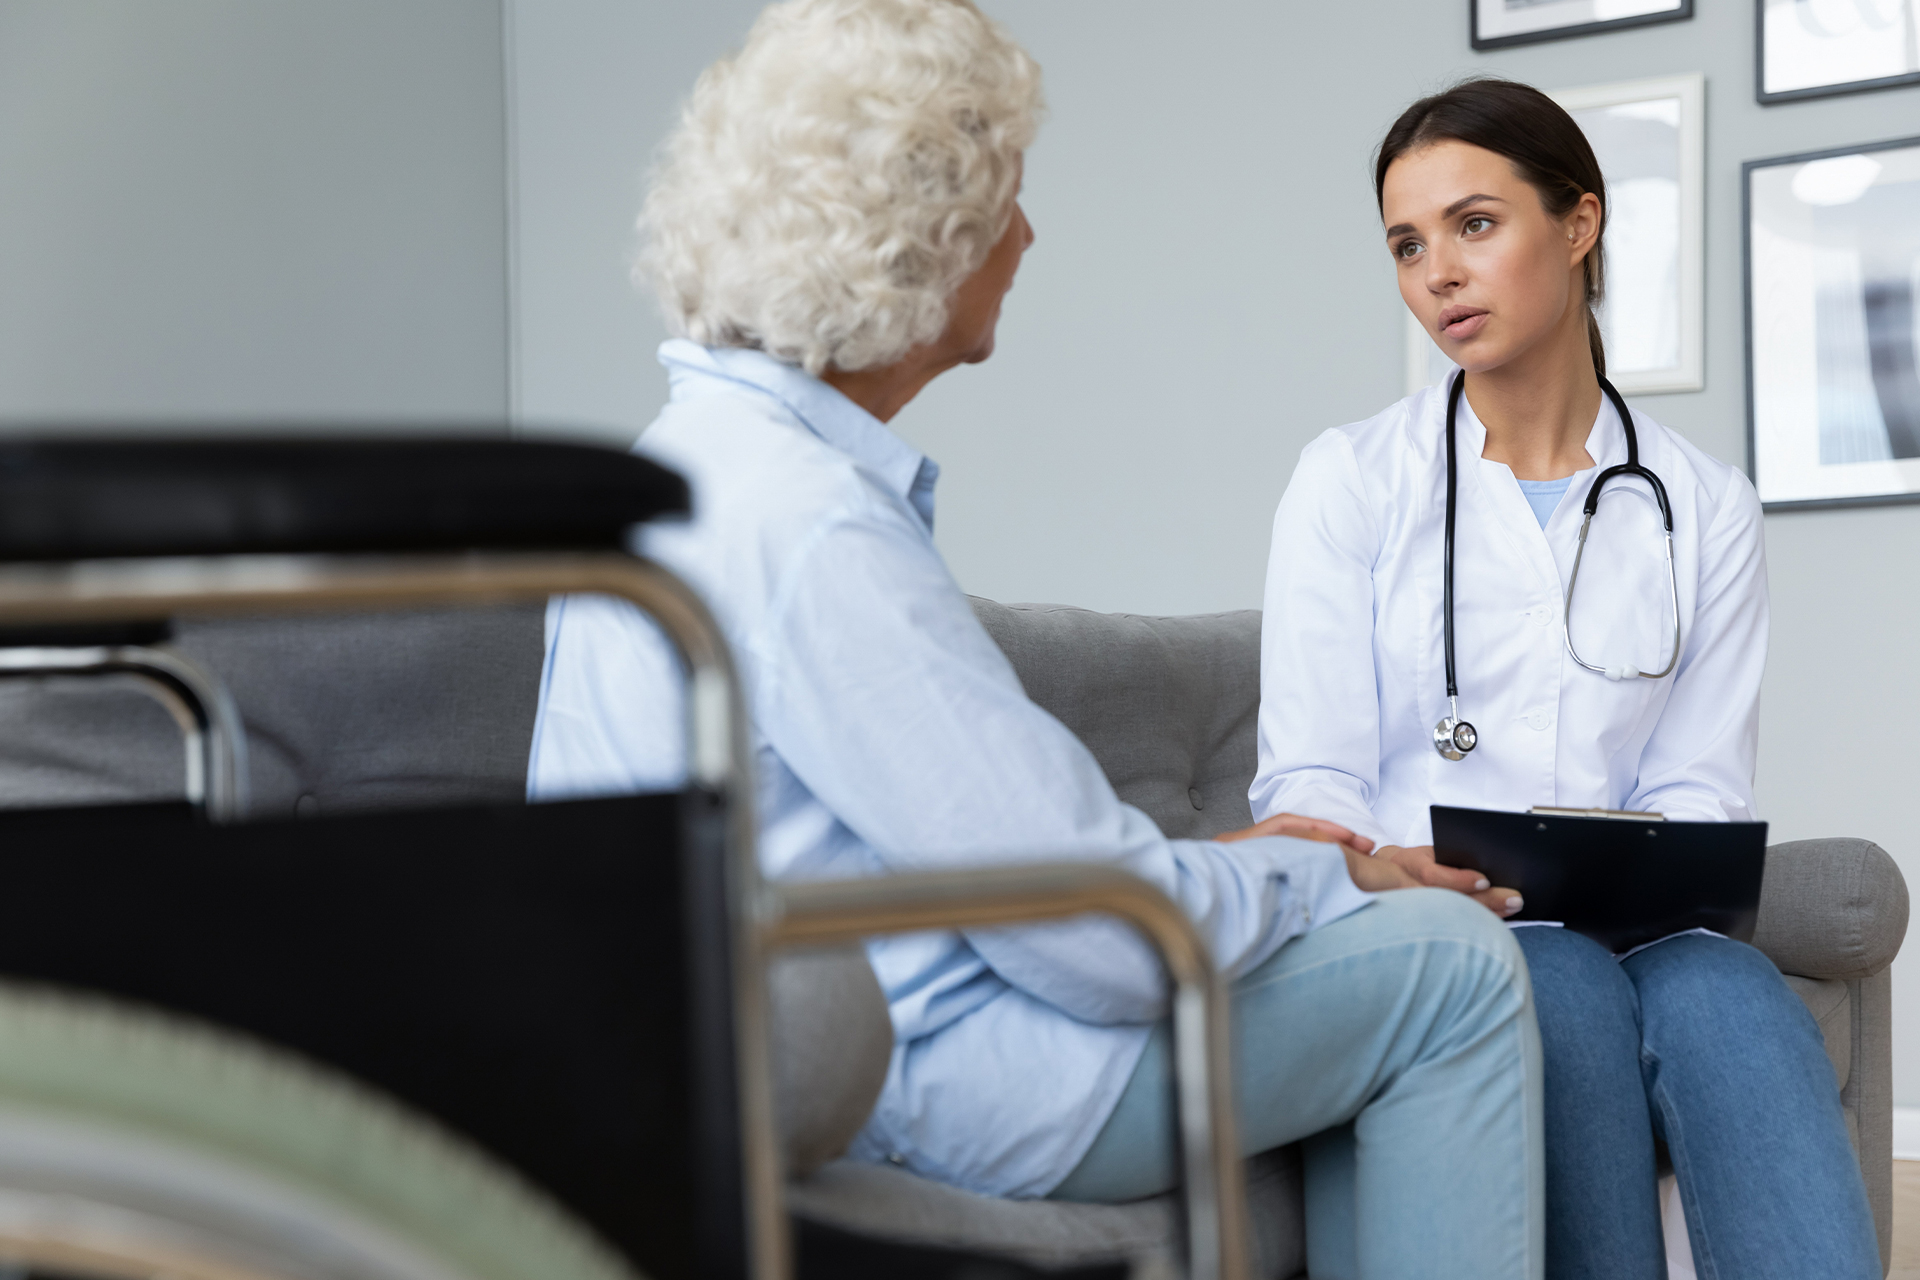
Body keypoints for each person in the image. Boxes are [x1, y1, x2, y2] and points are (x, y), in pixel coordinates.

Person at [529, 5, 1544, 1275]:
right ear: (922, 244)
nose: (1025, 234)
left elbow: (962, 857)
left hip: (794, 1024)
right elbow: (1102, 941)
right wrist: (1331, 876)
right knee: (1450, 966)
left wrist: (1237, 857)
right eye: (1006, 200)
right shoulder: (813, 527)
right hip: (930, 1078)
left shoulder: (681, 470)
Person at [1252, 77, 1879, 1280]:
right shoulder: (1352, 482)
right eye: (1407, 243)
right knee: (1565, 986)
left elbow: (1699, 786)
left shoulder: (1705, 507)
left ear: (1579, 225)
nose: (1437, 271)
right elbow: (1311, 786)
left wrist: (1650, 872)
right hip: (1431, 921)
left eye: (1475, 224)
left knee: (1734, 997)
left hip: (1642, 924)